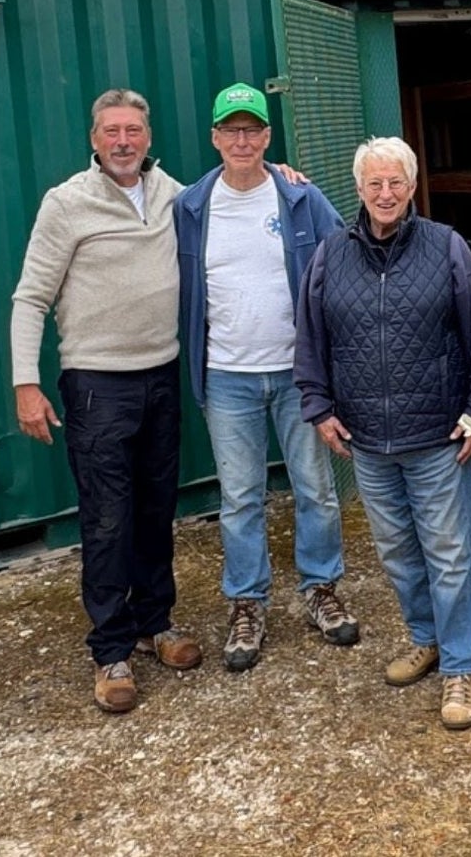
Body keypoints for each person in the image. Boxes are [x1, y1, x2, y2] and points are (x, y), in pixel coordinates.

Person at [293, 137, 471, 731]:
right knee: (397, 552)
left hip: (438, 436)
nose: (385, 194)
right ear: (358, 189)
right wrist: (318, 405)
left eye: (396, 183)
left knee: (449, 553)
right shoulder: (331, 256)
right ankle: (426, 638)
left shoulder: (447, 248)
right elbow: (310, 338)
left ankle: (460, 666)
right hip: (367, 438)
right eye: (374, 184)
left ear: (412, 187)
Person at [11, 87, 204, 714]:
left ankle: (156, 624)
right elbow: (30, 298)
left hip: (161, 375)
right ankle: (111, 648)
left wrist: (282, 176)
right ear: (94, 140)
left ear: (149, 138)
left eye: (134, 130)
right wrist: (26, 383)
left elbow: (231, 196)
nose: (124, 141)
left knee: (155, 508)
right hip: (96, 386)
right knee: (107, 517)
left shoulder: (174, 195)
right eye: (111, 131)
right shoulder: (66, 204)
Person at [176, 82, 354, 674]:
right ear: (215, 138)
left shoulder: (300, 198)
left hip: (297, 373)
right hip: (226, 374)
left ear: (268, 137)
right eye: (232, 130)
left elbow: (345, 260)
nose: (243, 140)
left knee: (316, 489)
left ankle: (320, 589)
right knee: (241, 497)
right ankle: (247, 603)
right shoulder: (192, 207)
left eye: (253, 129)